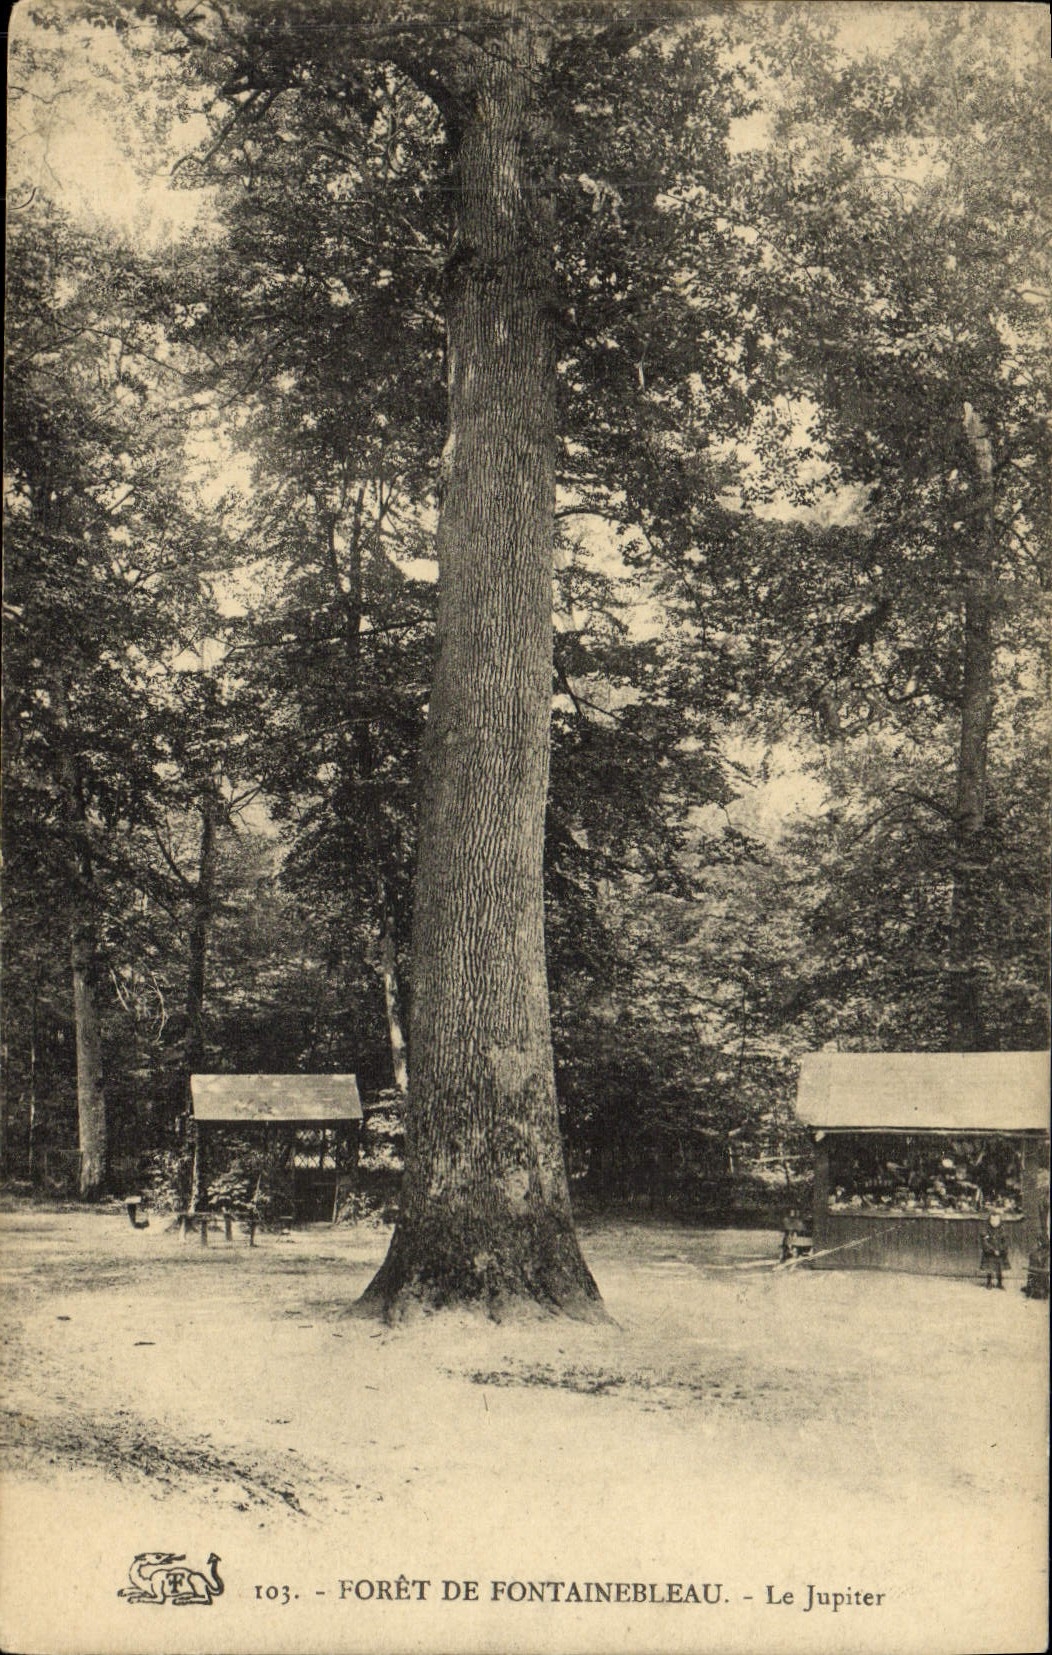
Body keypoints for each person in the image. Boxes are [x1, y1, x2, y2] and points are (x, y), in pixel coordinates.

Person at [979, 1212, 1010, 1289]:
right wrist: (992, 1250)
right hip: (989, 1252)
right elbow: (984, 1242)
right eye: (992, 1220)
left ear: (999, 1220)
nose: (994, 1222)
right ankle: (989, 1282)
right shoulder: (986, 1229)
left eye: (996, 1220)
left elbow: (1006, 1241)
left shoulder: (1002, 1229)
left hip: (1000, 1251)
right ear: (989, 1220)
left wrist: (1001, 1249)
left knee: (999, 1268)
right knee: (989, 1268)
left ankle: (999, 1283)